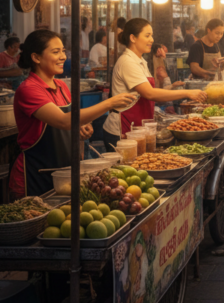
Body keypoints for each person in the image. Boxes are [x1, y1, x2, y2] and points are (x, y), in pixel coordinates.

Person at [10, 30, 136, 198]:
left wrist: (81, 128)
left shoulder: (61, 86)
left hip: (64, 174)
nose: (63, 56)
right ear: (36, 57)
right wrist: (109, 103)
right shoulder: (29, 89)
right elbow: (63, 121)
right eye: (56, 52)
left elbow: (72, 122)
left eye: (63, 51)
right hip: (35, 175)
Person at [103, 19, 207, 148]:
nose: (152, 40)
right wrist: (187, 93)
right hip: (122, 129)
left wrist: (171, 87)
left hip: (137, 127)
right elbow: (149, 93)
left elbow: (147, 92)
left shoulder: (139, 61)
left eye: (151, 35)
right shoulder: (127, 62)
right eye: (147, 36)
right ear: (133, 38)